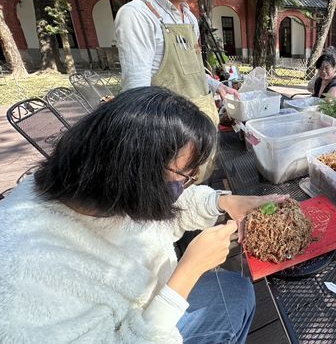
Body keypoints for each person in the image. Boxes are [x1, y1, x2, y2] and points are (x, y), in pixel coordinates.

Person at [0, 87, 286, 343]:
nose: (190, 182)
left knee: (235, 288)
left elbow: (161, 210)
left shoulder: (99, 186)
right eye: (185, 176)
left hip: (149, 299)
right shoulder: (24, 278)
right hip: (143, 329)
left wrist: (222, 202)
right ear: (135, 171)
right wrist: (186, 275)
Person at [115, 0, 238, 180]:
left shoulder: (189, 18)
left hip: (202, 129)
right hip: (173, 143)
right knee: (177, 209)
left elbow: (190, 70)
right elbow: (136, 96)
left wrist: (217, 87)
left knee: (201, 197)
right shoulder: (137, 16)